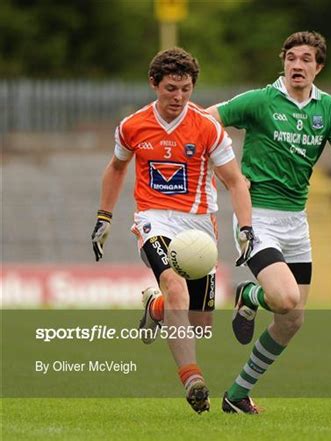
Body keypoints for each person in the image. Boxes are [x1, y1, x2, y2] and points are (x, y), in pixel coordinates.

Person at [207, 31, 331, 414]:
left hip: (296, 224)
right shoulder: (260, 100)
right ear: (283, 62)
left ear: (319, 67)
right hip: (258, 218)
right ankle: (248, 296)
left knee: (292, 320)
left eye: (306, 59)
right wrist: (228, 174)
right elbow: (205, 123)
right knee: (284, 299)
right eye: (291, 57)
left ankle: (236, 395)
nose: (297, 65)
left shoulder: (328, 108)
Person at [91, 47, 254, 413]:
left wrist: (246, 227)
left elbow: (236, 182)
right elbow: (116, 169)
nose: (178, 97)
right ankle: (193, 380)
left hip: (199, 227)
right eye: (170, 89)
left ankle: (156, 306)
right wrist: (104, 216)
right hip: (154, 219)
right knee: (176, 286)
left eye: (185, 89)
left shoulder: (207, 127)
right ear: (154, 84)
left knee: (199, 325)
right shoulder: (133, 126)